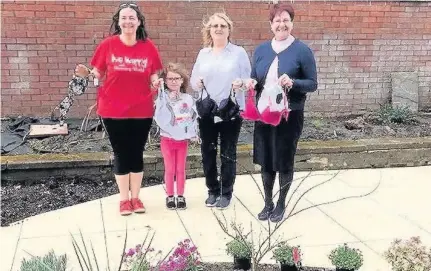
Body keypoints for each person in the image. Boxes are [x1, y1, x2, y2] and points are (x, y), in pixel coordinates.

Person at [75, 2, 163, 216]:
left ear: (139, 21)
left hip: (142, 109)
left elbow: (154, 74)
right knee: (121, 152)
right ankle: (124, 200)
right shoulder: (108, 45)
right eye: (124, 18)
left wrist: (156, 82)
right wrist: (87, 73)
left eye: (132, 17)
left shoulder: (148, 46)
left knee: (137, 152)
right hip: (112, 109)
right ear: (118, 22)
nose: (128, 21)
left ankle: (136, 198)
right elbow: (97, 73)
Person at [249, 3, 318, 222]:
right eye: (277, 20)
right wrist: (250, 83)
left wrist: (294, 81)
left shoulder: (302, 50)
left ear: (292, 23)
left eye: (286, 20)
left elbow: (312, 84)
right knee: (266, 159)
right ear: (271, 25)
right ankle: (268, 202)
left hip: (290, 115)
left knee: (284, 160)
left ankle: (281, 204)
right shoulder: (261, 50)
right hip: (264, 114)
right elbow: (255, 78)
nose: (282, 24)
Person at [190, 12, 251, 209]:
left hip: (229, 111)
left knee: (227, 152)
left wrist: (240, 83)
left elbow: (248, 81)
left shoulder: (238, 53)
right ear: (209, 30)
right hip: (207, 111)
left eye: (222, 26)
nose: (218, 29)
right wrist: (197, 83)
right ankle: (212, 190)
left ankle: (226, 192)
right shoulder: (203, 53)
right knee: (208, 152)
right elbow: (192, 82)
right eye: (215, 26)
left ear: (228, 30)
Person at [153, 63, 198, 210]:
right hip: (167, 139)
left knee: (180, 169)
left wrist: (193, 133)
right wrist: (159, 89)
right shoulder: (162, 97)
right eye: (170, 78)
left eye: (177, 78)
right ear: (165, 81)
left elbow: (192, 117)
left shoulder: (188, 98)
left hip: (182, 140)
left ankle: (180, 195)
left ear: (182, 80)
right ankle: (170, 195)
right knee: (169, 168)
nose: (173, 81)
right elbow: (160, 113)